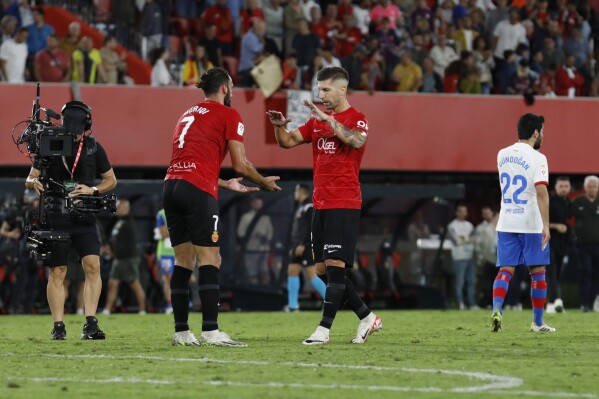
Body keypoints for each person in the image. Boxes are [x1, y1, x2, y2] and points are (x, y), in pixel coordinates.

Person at [163, 67, 281, 347]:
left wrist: (224, 184)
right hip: (197, 189)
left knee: (183, 261)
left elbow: (189, 161)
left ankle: (182, 332)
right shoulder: (229, 115)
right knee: (211, 259)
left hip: (171, 185)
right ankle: (211, 331)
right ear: (225, 88)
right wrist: (263, 181)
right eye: (232, 87)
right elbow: (240, 165)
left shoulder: (187, 113)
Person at [267, 66, 382, 345]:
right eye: (319, 90)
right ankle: (367, 318)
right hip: (320, 204)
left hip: (345, 202)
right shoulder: (317, 121)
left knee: (334, 265)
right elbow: (288, 142)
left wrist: (329, 121)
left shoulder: (358, 118)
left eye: (326, 89)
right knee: (322, 271)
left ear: (342, 89)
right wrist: (278, 126)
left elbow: (355, 140)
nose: (321, 95)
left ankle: (323, 330)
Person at [25, 100, 117, 340]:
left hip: (84, 214)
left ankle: (90, 323)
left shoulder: (93, 147)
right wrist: (34, 182)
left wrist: (92, 190)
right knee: (58, 271)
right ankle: (58, 326)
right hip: (56, 215)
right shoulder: (49, 142)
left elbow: (111, 180)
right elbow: (30, 178)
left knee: (93, 266)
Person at [491, 113, 555, 333]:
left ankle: (497, 309)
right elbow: (541, 192)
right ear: (535, 132)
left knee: (505, 270)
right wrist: (546, 225)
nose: (543, 135)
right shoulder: (539, 158)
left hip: (507, 220)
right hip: (530, 223)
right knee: (538, 272)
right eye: (542, 131)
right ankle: (537, 323)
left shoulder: (502, 154)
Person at [286, 183, 327, 311]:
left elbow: (311, 228)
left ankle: (331, 300)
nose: (295, 194)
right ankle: (293, 306)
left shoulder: (309, 207)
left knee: (312, 274)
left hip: (305, 246)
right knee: (292, 271)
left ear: (301, 191)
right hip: (297, 246)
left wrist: (304, 244)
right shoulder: (301, 207)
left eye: (296, 191)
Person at [103, 199, 146, 315]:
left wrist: (115, 253)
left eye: (118, 207)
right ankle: (107, 309)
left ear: (125, 208)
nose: (116, 209)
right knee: (113, 284)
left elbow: (130, 244)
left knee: (135, 284)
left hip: (128, 259)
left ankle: (142, 310)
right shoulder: (119, 221)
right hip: (119, 259)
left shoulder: (129, 222)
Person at [569, 175, 599, 313]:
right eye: (590, 186)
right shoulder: (578, 201)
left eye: (594, 186)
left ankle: (592, 302)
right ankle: (584, 303)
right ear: (585, 188)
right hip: (582, 244)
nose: (592, 189)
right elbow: (566, 216)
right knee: (585, 271)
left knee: (596, 274)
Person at [237, 196, 273, 285]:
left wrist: (265, 237)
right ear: (252, 204)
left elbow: (271, 232)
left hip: (263, 249)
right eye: (257, 203)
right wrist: (254, 235)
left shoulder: (266, 218)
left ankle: (266, 290)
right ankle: (254, 290)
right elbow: (240, 232)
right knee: (252, 272)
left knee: (265, 270)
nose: (258, 206)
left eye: (260, 204)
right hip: (250, 249)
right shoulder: (246, 217)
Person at [547, 176, 571, 313]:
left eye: (566, 186)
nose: (563, 189)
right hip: (549, 241)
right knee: (551, 272)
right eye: (561, 186)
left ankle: (551, 303)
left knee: (558, 273)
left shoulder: (568, 203)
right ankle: (556, 300)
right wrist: (556, 226)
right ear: (555, 187)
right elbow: (541, 222)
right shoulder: (550, 201)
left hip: (563, 244)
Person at [448, 204, 477, 310]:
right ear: (457, 212)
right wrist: (467, 238)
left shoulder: (469, 225)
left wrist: (463, 238)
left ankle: (472, 304)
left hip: (470, 256)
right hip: (459, 257)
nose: (463, 213)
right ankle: (460, 303)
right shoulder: (452, 226)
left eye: (465, 211)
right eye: (461, 211)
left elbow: (474, 238)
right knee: (460, 281)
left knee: (471, 281)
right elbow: (456, 241)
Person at [473, 206, 497, 308]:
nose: (486, 215)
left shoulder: (499, 225)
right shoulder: (480, 228)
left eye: (488, 213)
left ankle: (498, 303)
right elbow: (478, 245)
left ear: (493, 213)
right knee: (487, 283)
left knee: (498, 282)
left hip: (499, 259)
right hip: (487, 259)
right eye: (484, 213)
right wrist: (480, 259)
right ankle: (487, 302)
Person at [155, 208, 175, 313]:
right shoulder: (162, 214)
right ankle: (170, 304)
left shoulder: (184, 211)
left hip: (181, 250)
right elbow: (163, 233)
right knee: (168, 279)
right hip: (166, 252)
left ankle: (181, 303)